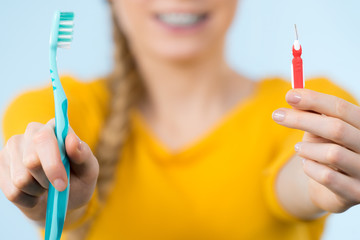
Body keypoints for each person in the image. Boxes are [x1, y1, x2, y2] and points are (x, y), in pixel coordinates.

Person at [1, 0, 360, 239]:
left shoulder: (319, 106)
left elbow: (293, 180)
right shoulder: (52, 107)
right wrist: (49, 184)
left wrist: (320, 175)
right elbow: (39, 143)